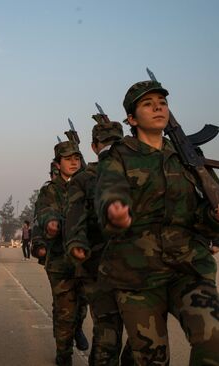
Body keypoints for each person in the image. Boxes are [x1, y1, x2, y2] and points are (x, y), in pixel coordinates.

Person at [95, 80, 219, 365]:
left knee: (214, 340)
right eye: (148, 104)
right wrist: (115, 210)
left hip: (188, 269)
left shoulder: (187, 159)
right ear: (131, 118)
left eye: (162, 103)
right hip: (136, 275)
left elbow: (204, 220)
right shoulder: (118, 156)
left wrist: (213, 216)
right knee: (151, 358)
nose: (158, 108)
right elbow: (110, 190)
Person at [64, 117, 133, 365]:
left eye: (115, 142)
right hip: (98, 267)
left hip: (138, 265)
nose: (110, 147)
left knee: (141, 337)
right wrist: (77, 246)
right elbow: (74, 220)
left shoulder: (136, 171)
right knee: (107, 333)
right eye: (105, 143)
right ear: (94, 146)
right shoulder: (84, 178)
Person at [35, 140, 88, 365]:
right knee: (65, 309)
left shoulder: (88, 184)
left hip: (86, 259)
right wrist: (51, 222)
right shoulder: (50, 190)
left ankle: (77, 328)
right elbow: (45, 211)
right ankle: (64, 353)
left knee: (82, 305)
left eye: (76, 158)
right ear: (58, 164)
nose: (73, 163)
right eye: (68, 159)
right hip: (60, 260)